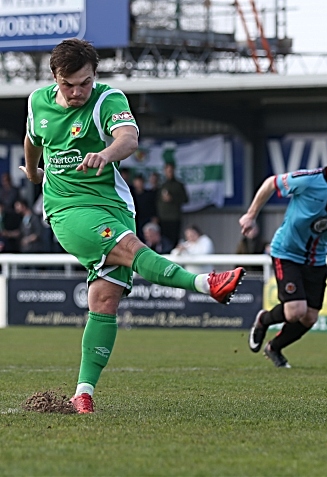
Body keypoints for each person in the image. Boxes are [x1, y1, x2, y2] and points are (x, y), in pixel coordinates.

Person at [21, 38, 245, 414]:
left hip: (114, 206)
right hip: (68, 209)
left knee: (104, 301)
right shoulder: (37, 102)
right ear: (54, 77)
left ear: (95, 76)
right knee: (130, 250)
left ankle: (83, 393)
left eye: (85, 82)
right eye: (68, 84)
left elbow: (128, 139)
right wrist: (31, 172)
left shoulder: (108, 100)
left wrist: (105, 153)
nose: (78, 92)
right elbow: (32, 138)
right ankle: (206, 284)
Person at [240, 127, 327, 368]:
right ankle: (263, 319)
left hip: (316, 258)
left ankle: (275, 347)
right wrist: (251, 215)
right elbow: (270, 183)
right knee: (295, 311)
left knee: (310, 317)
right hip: (287, 251)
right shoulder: (308, 179)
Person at [157, 162, 189, 247]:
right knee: (164, 240)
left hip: (174, 217)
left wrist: (172, 199)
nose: (169, 173)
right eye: (167, 171)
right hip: (163, 218)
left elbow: (185, 199)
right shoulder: (162, 185)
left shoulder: (179, 185)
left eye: (171, 171)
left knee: (174, 239)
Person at [132, 173, 158, 241]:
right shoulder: (131, 195)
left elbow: (153, 206)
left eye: (140, 182)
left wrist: (154, 217)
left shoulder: (149, 194)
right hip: (135, 219)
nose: (138, 184)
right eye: (137, 182)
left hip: (147, 219)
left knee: (148, 237)